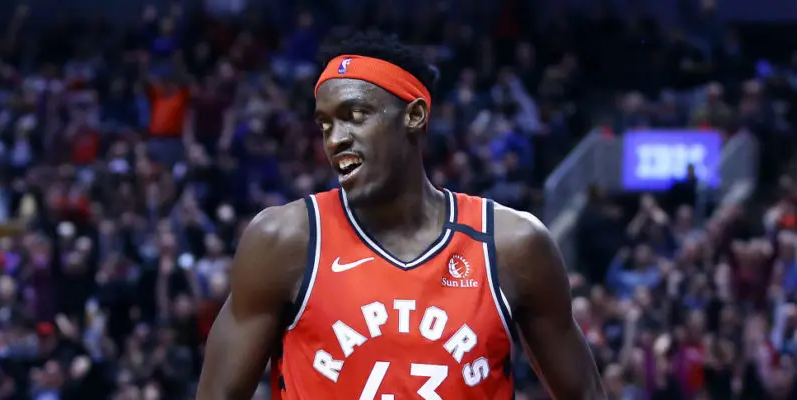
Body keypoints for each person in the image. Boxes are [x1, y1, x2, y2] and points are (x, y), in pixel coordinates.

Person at [196, 31, 605, 400]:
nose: (336, 139)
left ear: (415, 116)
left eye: (355, 116)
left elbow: (585, 393)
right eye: (325, 124)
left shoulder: (511, 245)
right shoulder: (284, 241)